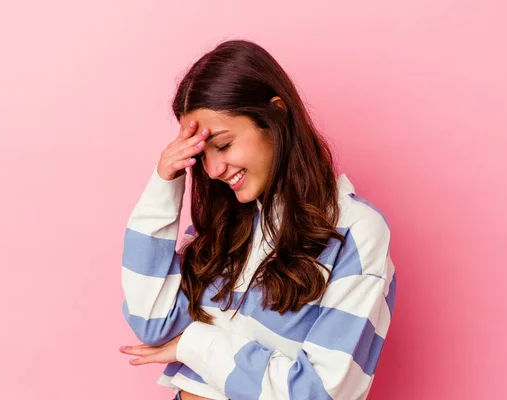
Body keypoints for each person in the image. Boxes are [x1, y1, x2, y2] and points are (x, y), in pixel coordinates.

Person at [119, 39, 397, 400]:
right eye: (201, 155)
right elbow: (152, 323)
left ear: (275, 116)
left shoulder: (355, 233)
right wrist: (164, 184)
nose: (214, 169)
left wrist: (196, 345)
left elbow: (319, 394)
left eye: (222, 145)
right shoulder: (225, 231)